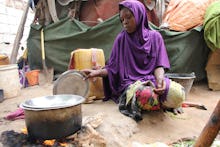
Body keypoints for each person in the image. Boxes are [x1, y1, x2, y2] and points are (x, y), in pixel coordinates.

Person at [82, 0, 185, 121]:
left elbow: (159, 65)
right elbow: (113, 68)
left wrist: (161, 82)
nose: (125, 22)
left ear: (139, 15)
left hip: (152, 80)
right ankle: (163, 103)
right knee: (146, 95)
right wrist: (97, 73)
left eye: (128, 17)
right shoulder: (121, 39)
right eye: (122, 20)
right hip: (131, 84)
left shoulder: (155, 37)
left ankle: (163, 102)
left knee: (178, 93)